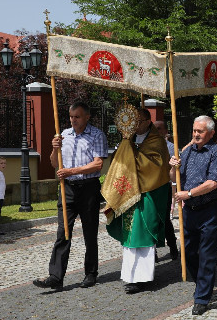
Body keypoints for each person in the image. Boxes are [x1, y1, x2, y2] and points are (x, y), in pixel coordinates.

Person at [33, 102, 108, 291]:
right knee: (62, 232)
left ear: (87, 117)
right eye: (71, 116)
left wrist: (71, 170)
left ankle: (91, 273)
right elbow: (53, 163)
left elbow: (97, 164)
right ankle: (56, 276)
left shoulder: (97, 135)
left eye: (78, 116)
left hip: (89, 187)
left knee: (89, 233)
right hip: (67, 188)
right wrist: (54, 148)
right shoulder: (63, 135)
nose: (73, 120)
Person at [103, 109, 171, 294]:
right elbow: (120, 163)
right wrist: (126, 147)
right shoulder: (129, 140)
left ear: (149, 121)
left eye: (139, 121)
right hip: (129, 195)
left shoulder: (156, 141)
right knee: (130, 237)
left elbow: (154, 166)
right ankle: (130, 276)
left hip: (147, 194)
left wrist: (131, 151)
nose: (136, 125)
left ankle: (142, 278)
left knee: (142, 235)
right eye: (134, 122)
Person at [169, 115, 217, 316]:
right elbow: (173, 177)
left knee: (207, 256)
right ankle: (201, 283)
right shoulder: (186, 152)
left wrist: (190, 193)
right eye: (194, 131)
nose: (195, 134)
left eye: (200, 131)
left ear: (211, 134)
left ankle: (202, 298)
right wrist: (172, 166)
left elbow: (213, 183)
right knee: (188, 252)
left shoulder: (216, 154)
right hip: (189, 211)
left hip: (210, 210)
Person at [153, 120, 178, 260]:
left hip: (164, 187)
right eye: (154, 128)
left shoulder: (171, 147)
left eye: (159, 128)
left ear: (165, 131)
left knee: (165, 220)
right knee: (151, 220)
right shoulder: (148, 146)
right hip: (151, 188)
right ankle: (153, 251)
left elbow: (173, 169)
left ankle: (173, 246)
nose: (156, 131)